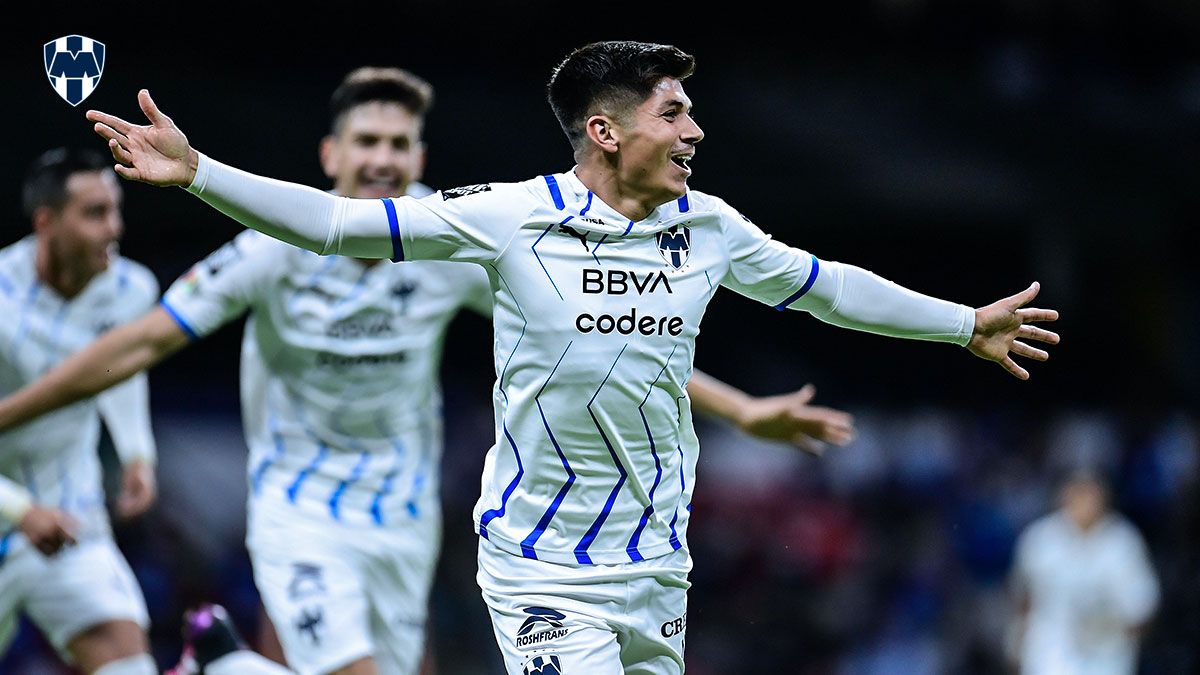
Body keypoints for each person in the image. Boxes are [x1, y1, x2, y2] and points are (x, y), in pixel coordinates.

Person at [82, 39, 1057, 674]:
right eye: (673, 114)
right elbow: (338, 224)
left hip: (658, 566)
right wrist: (198, 173)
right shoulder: (511, 220)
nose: (695, 132)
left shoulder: (707, 228)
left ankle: (231, 664)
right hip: (544, 567)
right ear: (607, 130)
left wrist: (961, 323)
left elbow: (828, 285)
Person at [0, 148, 159, 675]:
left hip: (70, 514)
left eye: (115, 209)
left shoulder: (132, 288)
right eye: (94, 213)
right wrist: (20, 512)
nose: (114, 228)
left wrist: (137, 451)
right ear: (46, 222)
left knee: (129, 665)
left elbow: (120, 365)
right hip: (13, 508)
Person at [1007, 468, 1160, 675]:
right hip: (1047, 655)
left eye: (1090, 494)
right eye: (1078, 493)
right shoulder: (1040, 539)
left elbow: (1143, 607)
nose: (1084, 502)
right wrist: (1016, 646)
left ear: (1104, 497)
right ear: (1064, 496)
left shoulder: (1123, 543)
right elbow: (1023, 599)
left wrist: (1112, 628)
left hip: (1104, 659)